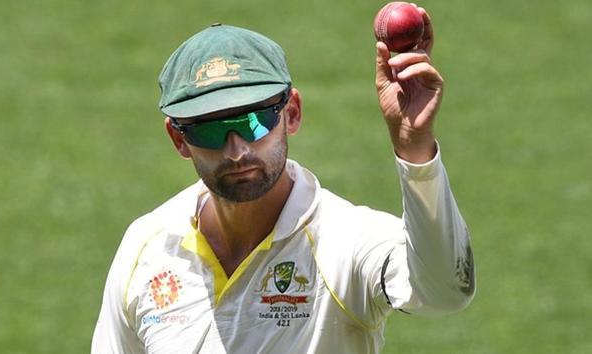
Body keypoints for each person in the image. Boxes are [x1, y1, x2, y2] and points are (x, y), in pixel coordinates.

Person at [92, 10, 475, 353]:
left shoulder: (347, 241)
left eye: (254, 121)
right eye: (211, 131)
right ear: (179, 140)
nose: (237, 150)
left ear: (291, 113)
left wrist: (414, 150)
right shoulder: (146, 247)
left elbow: (444, 292)